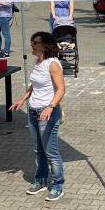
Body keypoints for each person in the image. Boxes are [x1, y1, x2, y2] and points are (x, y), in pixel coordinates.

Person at [12, 32, 67, 201]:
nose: (32, 45)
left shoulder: (52, 64)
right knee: (38, 150)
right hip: (34, 111)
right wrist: (22, 99)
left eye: (35, 42)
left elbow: (61, 89)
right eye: (32, 42)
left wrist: (51, 107)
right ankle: (41, 180)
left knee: (51, 151)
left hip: (47, 112)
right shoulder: (38, 62)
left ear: (45, 45)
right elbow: (33, 86)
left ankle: (58, 185)